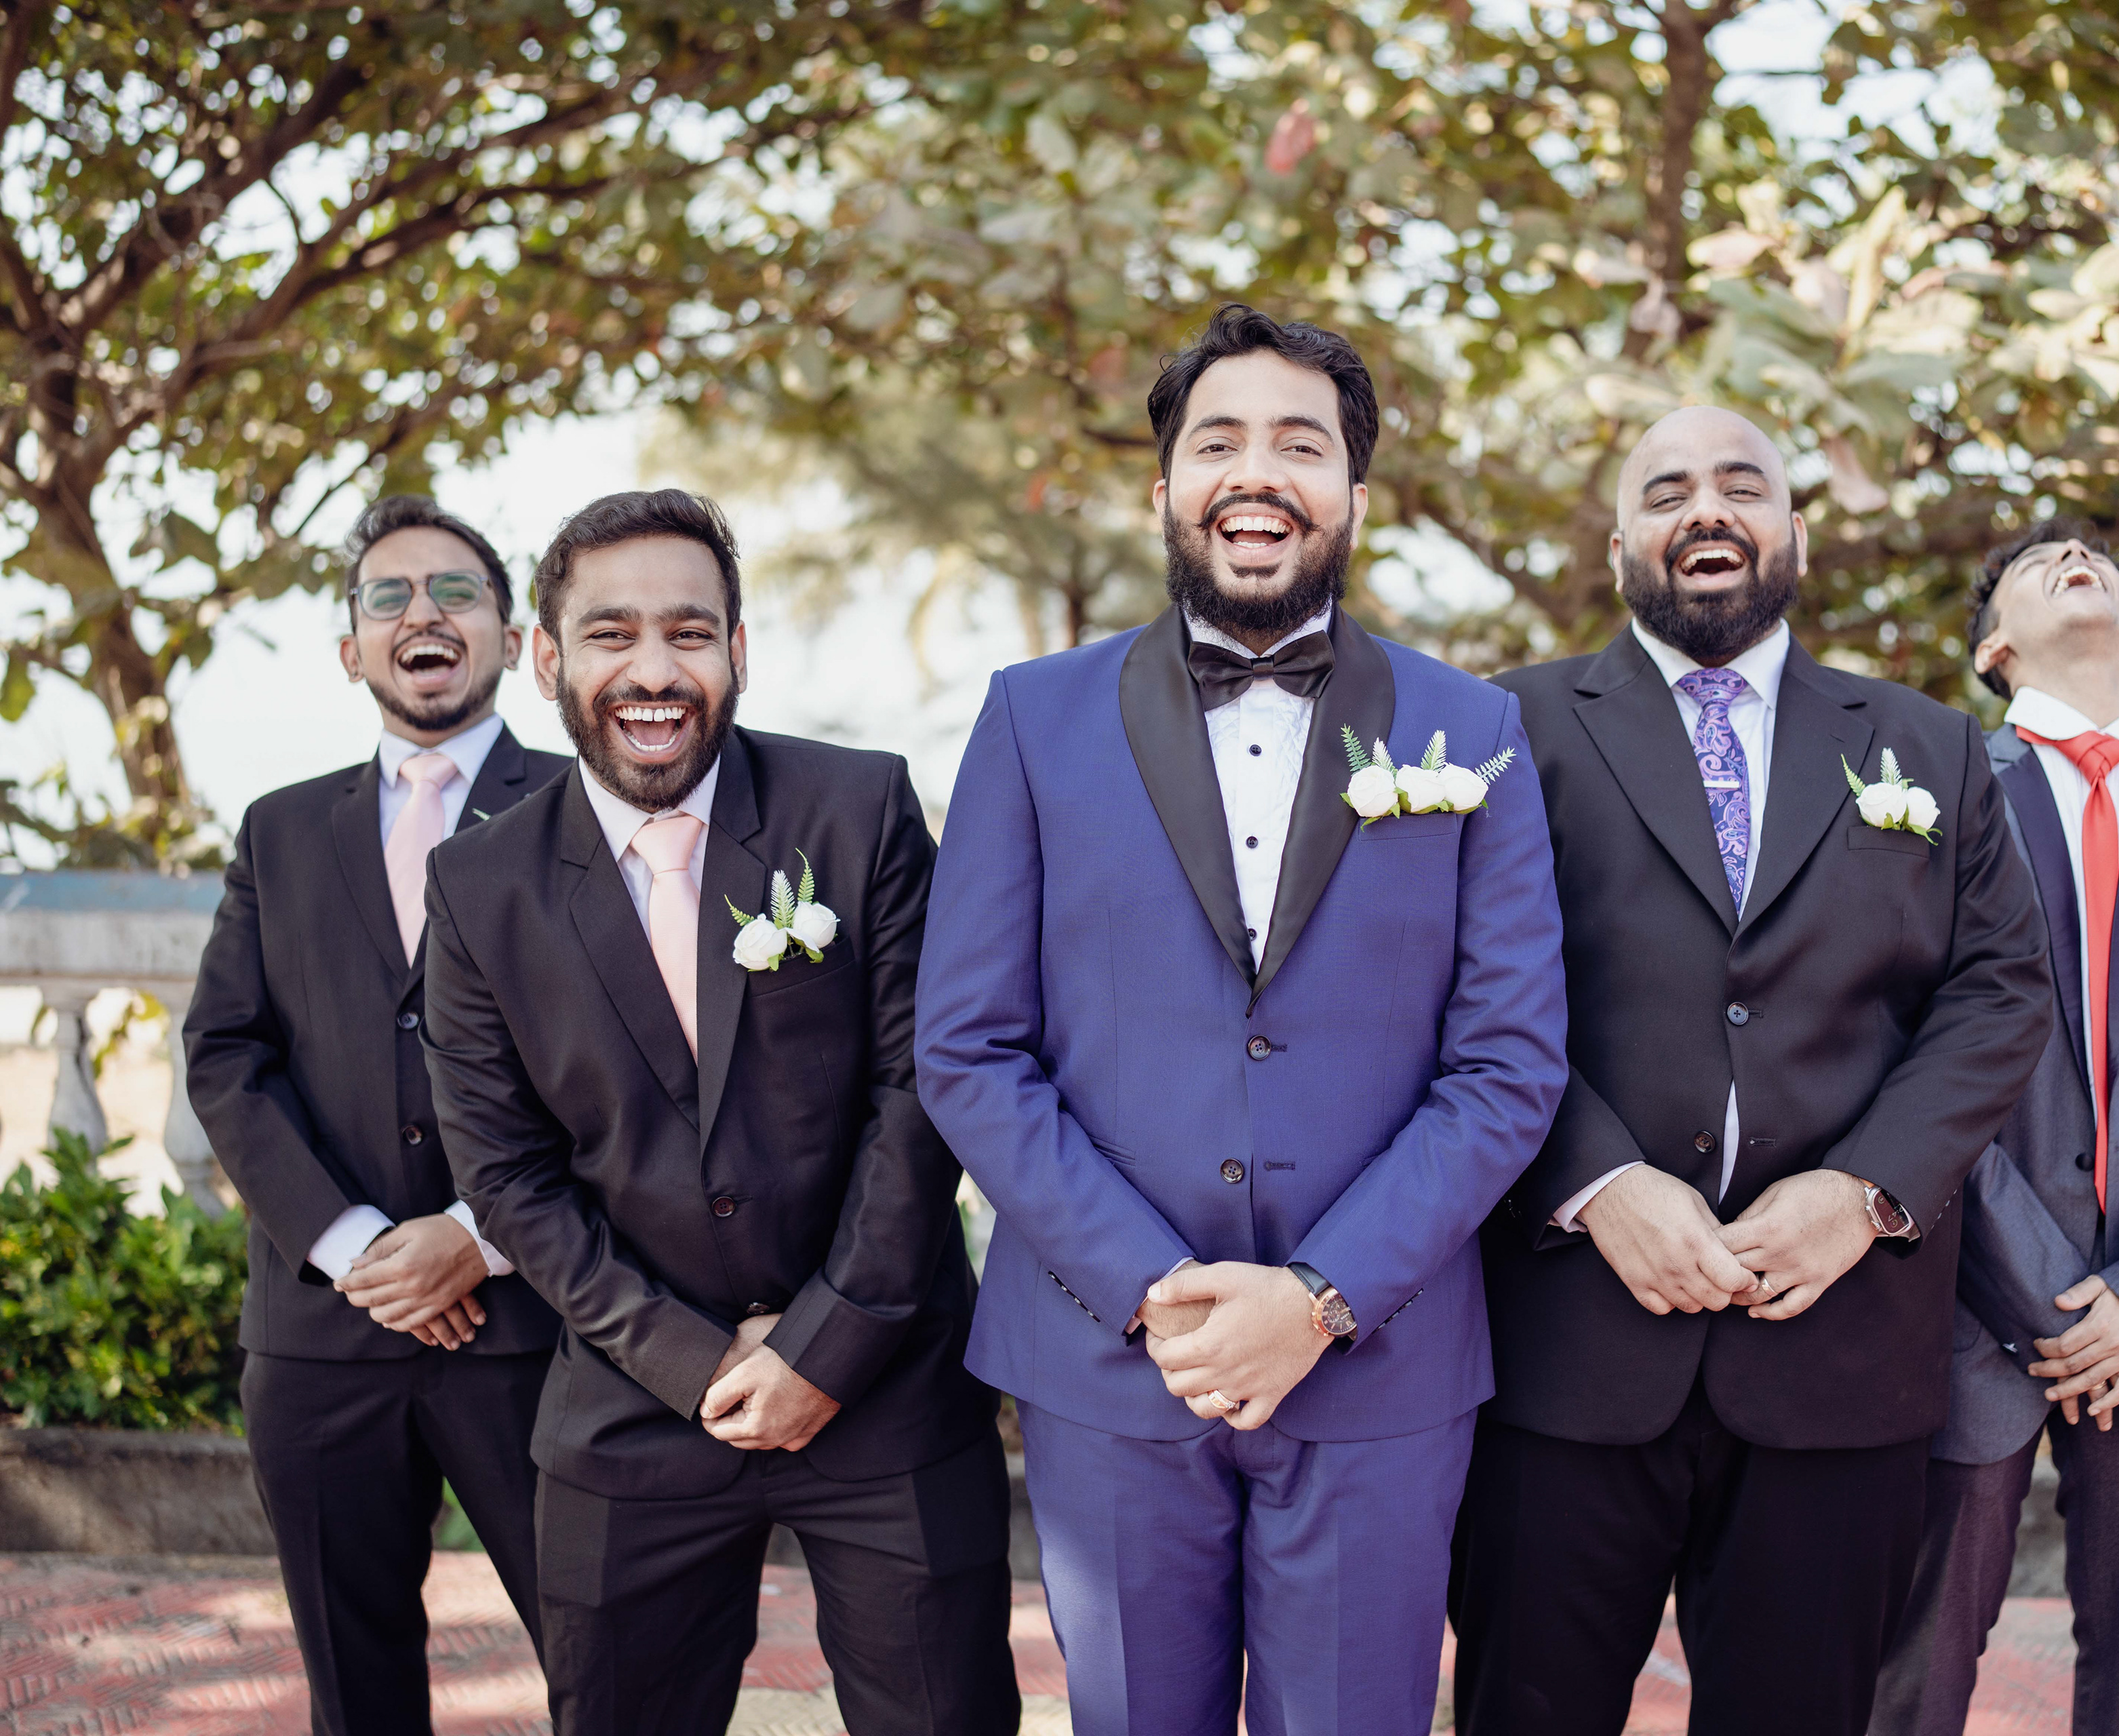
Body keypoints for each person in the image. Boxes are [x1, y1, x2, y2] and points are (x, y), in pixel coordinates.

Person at [915, 304, 1569, 1736]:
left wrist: (1322, 1297)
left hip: (1380, 1367)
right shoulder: (1032, 717)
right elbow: (968, 1046)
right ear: (1165, 488)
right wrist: (1155, 1288)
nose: (1256, 473)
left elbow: (1509, 1067)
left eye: (1300, 444)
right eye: (1219, 443)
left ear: (1354, 491)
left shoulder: (1475, 732)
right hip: (1110, 1364)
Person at [1450, 408, 2053, 1736]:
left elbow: (2002, 991)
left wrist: (1866, 1190)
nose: (1706, 509)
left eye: (1742, 484)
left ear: (1796, 534)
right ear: (1621, 545)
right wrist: (1596, 1182)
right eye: (1666, 491)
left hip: (1838, 1354)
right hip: (1565, 1351)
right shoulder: (1505, 727)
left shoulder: (1930, 747)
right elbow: (1447, 981)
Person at [416, 490, 1016, 1736]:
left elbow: (922, 1093)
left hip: (885, 1387)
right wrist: (699, 1365)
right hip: (634, 1400)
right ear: (547, 660)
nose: (653, 671)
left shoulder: (859, 807)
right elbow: (509, 1176)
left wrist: (821, 1351)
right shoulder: (477, 887)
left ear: (737, 651)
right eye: (611, 633)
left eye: (689, 633)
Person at [1868, 519, 2119, 1736]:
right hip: (1971, 1301)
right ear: (1994, 648)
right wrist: (2054, 1302)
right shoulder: (1935, 794)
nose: (2075, 559)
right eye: (2036, 561)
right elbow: (1915, 1063)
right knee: (1915, 1676)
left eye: (2099, 556)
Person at [184, 495, 568, 1735]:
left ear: (514, 638)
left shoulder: (589, 809)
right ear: (351, 649)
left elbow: (636, 1065)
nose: (423, 613)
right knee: (353, 1693)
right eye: (388, 595)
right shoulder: (281, 829)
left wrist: (479, 1236)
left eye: (456, 591)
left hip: (537, 1326)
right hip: (320, 1336)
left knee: (613, 1666)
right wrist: (357, 1250)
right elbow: (226, 1055)